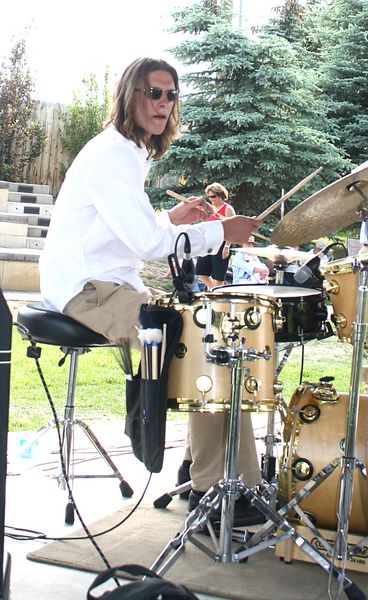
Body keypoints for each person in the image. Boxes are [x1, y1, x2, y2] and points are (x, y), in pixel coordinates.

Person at [39, 57, 262, 524]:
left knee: (212, 335)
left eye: (170, 94)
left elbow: (130, 233)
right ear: (130, 96)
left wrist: (171, 219)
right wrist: (223, 231)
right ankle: (214, 486)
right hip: (87, 290)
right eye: (152, 93)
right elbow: (144, 245)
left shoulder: (129, 153)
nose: (163, 103)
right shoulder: (112, 155)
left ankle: (210, 473)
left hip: (109, 281)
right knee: (203, 342)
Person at [195, 183, 236, 290]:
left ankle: (216, 295)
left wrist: (227, 246)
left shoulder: (228, 209)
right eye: (209, 197)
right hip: (209, 242)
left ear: (220, 195)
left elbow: (232, 229)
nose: (211, 199)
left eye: (213, 196)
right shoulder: (210, 208)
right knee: (201, 273)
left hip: (222, 243)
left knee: (218, 276)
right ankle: (214, 290)